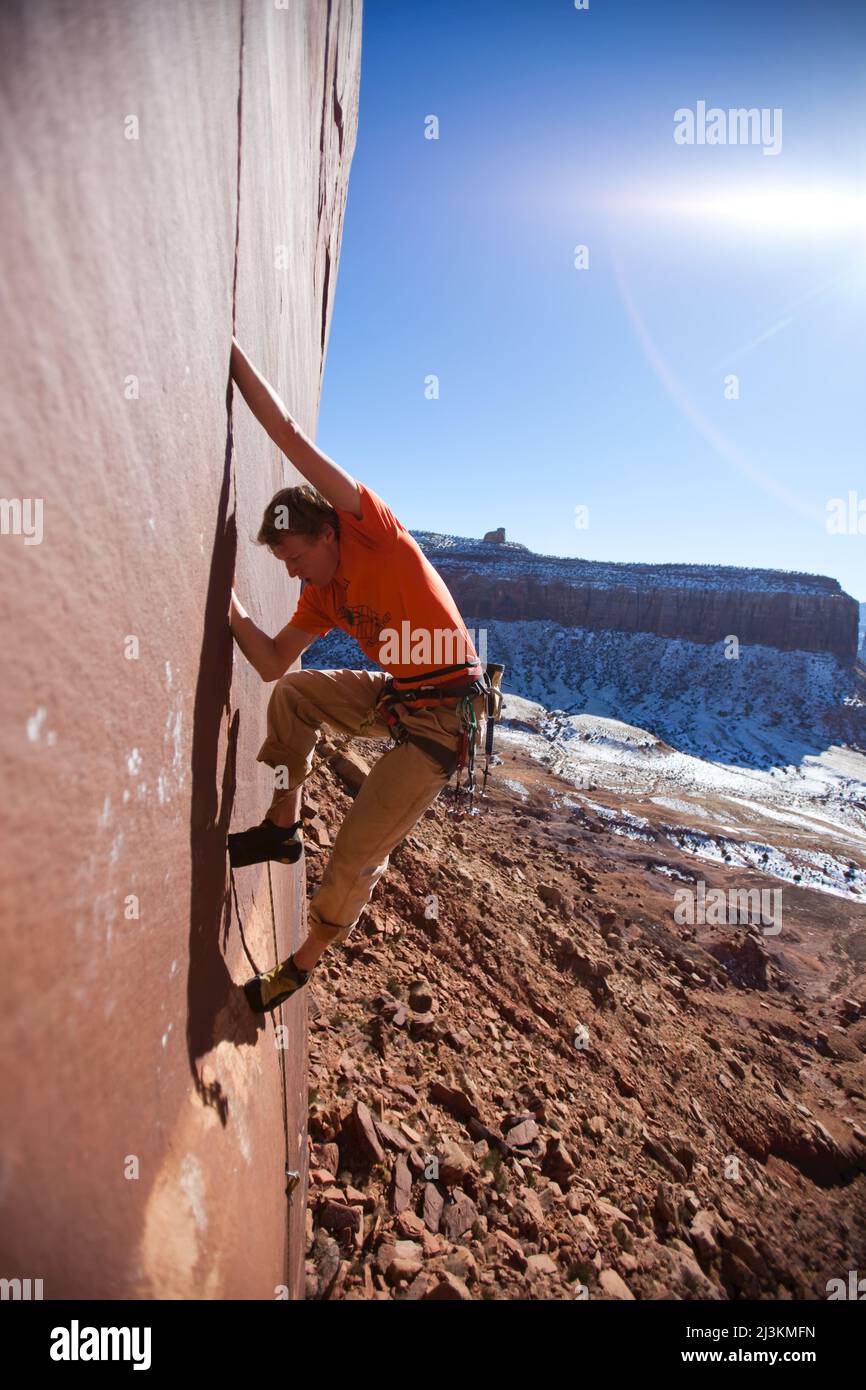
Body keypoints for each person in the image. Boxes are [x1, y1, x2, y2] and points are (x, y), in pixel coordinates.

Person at [226, 337, 489, 1014]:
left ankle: (297, 969)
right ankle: (283, 827)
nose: (288, 570)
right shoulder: (321, 596)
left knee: (353, 852)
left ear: (325, 533)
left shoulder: (373, 531)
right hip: (400, 698)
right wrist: (225, 602)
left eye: (290, 554)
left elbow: (287, 434)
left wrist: (230, 353)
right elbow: (270, 663)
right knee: (294, 697)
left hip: (437, 726)